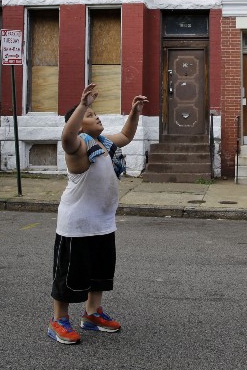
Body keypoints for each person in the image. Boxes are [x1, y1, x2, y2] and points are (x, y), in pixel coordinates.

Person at [47, 83, 148, 344]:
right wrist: (83, 106)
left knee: (99, 273)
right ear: (80, 124)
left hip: (102, 223)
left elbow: (126, 136)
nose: (96, 116)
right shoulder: (78, 148)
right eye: (91, 116)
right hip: (76, 225)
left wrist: (134, 112)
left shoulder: (103, 142)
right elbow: (66, 137)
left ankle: (92, 314)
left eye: (95, 113)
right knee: (68, 277)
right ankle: (58, 321)